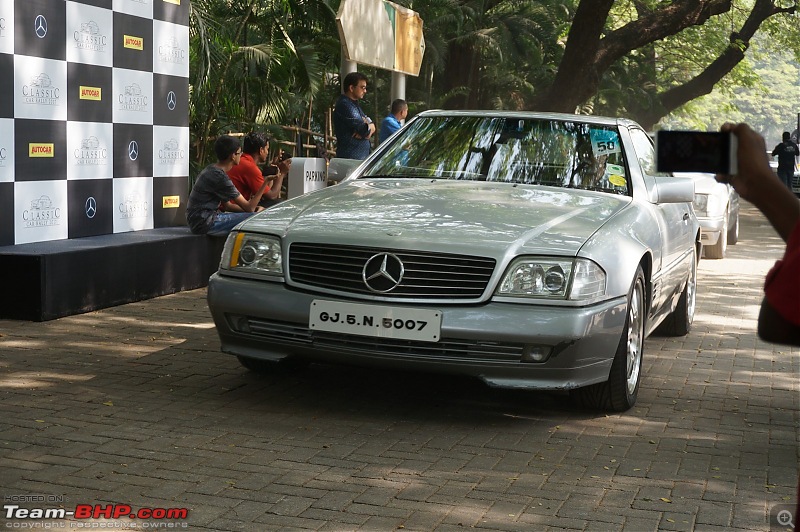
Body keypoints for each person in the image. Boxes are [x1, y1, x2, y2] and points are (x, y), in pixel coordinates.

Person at [717, 123, 800, 345]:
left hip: (783, 169)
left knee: (784, 179)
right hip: (789, 169)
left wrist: (762, 183)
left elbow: (778, 320)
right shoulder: (793, 147)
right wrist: (761, 185)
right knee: (787, 181)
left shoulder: (782, 148)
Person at [186, 135, 267, 236]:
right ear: (233, 156)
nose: (241, 156)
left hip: (198, 220)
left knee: (252, 216)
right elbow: (249, 207)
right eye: (239, 153)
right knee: (255, 219)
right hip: (204, 222)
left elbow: (228, 206)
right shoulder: (219, 177)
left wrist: (254, 210)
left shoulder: (212, 169)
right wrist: (266, 182)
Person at [227, 132, 291, 209]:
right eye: (267, 149)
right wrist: (282, 173)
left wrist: (274, 170)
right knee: (279, 204)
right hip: (235, 208)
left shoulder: (243, 160)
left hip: (236, 205)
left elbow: (263, 192)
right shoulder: (250, 167)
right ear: (261, 150)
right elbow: (271, 196)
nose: (267, 153)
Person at [333, 72, 375, 159]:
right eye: (362, 88)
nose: (365, 91)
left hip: (358, 159)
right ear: (351, 88)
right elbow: (364, 130)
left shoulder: (354, 105)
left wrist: (370, 125)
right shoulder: (345, 105)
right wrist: (367, 127)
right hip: (350, 159)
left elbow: (370, 125)